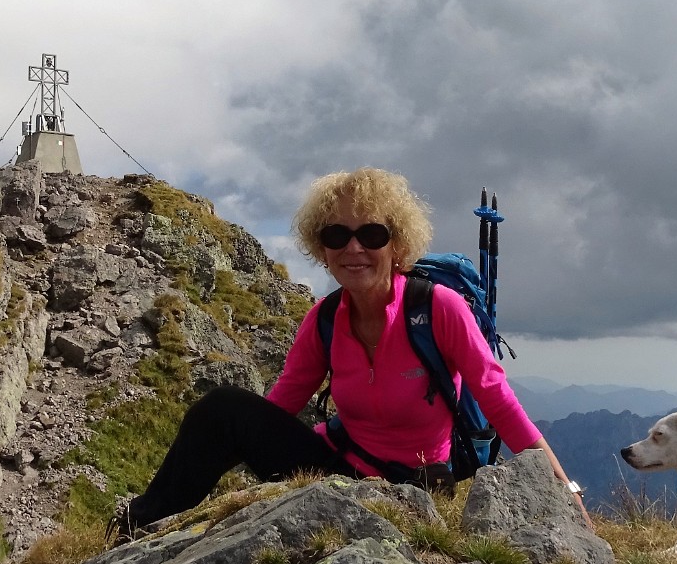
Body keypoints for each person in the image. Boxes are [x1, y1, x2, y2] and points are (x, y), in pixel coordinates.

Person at [115, 167, 589, 535]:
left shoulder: (437, 309)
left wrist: (566, 492)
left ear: (397, 244)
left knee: (227, 412)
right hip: (337, 466)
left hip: (413, 486)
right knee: (223, 410)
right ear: (321, 248)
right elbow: (277, 408)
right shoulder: (324, 319)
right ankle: (140, 526)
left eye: (372, 235)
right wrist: (232, 457)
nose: (354, 248)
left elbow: (497, 399)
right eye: (337, 235)